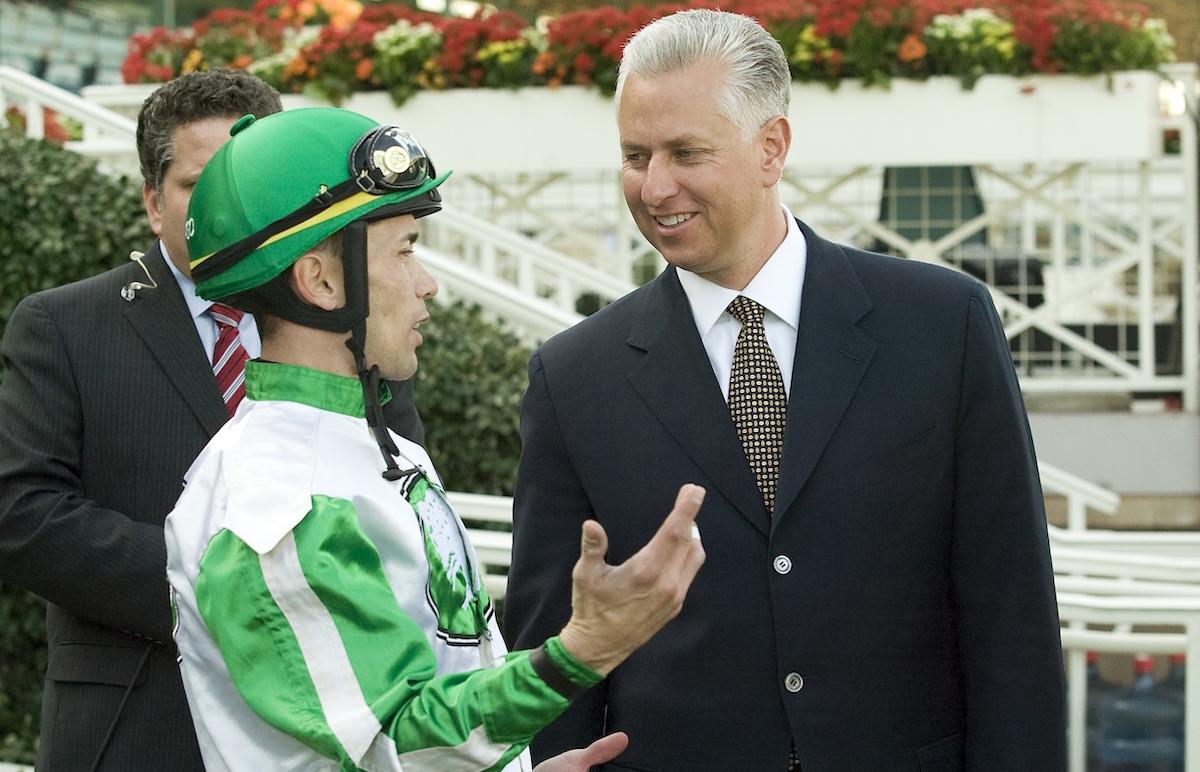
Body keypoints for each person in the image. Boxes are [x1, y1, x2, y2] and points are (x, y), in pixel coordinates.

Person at [504, 9, 1066, 771]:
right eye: (635, 155)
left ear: (772, 147)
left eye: (685, 152)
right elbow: (551, 651)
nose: (654, 185)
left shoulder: (945, 325)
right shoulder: (573, 378)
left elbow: (1012, 615)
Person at [164, 106, 706, 772]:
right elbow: (395, 739)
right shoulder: (276, 500)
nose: (428, 285)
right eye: (405, 251)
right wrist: (583, 651)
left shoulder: (368, 440)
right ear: (321, 280)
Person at [0, 69, 420, 771]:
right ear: (152, 202)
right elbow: (21, 511)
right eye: (199, 187)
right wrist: (215, 591)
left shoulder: (357, 319)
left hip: (328, 731)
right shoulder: (63, 326)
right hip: (134, 729)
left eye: (242, 184)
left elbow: (395, 495)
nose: (224, 210)